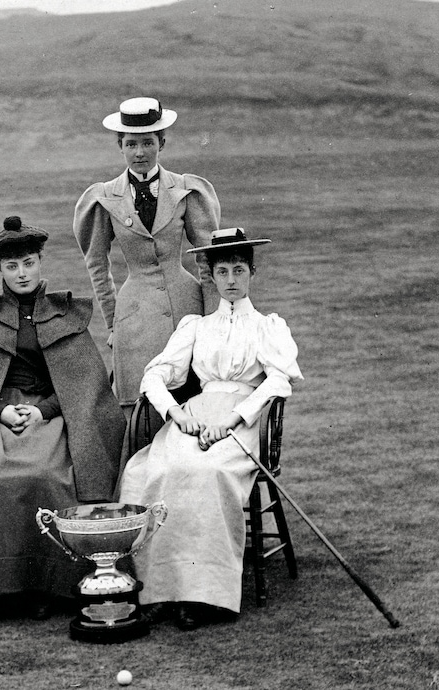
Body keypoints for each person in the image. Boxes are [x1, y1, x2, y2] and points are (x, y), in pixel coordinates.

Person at [0, 216, 125, 620]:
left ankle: (48, 585)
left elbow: (84, 385)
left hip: (50, 414)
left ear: (40, 262)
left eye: (28, 263)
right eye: (12, 266)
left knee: (49, 476)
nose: (22, 273)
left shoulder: (65, 315)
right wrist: (1, 410)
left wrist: (43, 410)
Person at [118, 228, 304, 630]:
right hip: (195, 414)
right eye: (223, 271)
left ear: (252, 272)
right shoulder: (197, 326)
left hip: (242, 420)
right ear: (212, 276)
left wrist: (233, 419)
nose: (232, 280)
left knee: (208, 474)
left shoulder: (268, 326)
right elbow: (154, 375)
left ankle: (204, 595)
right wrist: (176, 414)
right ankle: (158, 590)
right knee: (161, 471)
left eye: (239, 269)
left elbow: (277, 381)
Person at [73, 97, 221, 413]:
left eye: (147, 143)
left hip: (187, 310)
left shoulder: (185, 190)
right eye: (131, 144)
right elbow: (97, 263)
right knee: (140, 410)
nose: (139, 152)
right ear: (120, 146)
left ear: (161, 143)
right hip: (134, 318)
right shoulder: (105, 196)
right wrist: (113, 322)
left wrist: (212, 319)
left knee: (195, 403)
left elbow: (207, 259)